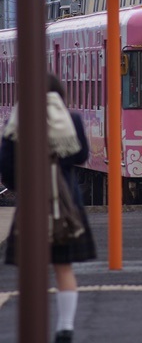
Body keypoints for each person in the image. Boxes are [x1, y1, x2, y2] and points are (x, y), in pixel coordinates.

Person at [0, 73, 96, 343]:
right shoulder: (72, 119)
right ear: (60, 93)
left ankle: (33, 323)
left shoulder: (17, 120)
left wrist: (19, 184)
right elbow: (81, 156)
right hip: (67, 202)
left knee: (32, 267)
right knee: (63, 266)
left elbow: (6, 164)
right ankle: (65, 327)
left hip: (32, 203)